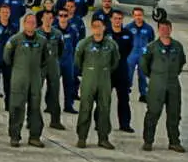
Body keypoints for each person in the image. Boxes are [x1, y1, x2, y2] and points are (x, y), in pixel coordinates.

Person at [140, 21, 188, 153]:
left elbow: (181, 62)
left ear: (171, 29)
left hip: (173, 84)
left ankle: (174, 142)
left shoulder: (177, 46)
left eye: (167, 28)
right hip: (157, 83)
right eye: (162, 28)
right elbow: (144, 64)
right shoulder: (151, 47)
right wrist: (154, 76)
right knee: (153, 113)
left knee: (174, 114)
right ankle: (148, 141)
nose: (164, 31)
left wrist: (172, 74)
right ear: (158, 30)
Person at [3, 14, 47, 148]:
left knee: (35, 108)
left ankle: (35, 137)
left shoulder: (42, 41)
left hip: (35, 79)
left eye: (33, 23)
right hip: (19, 79)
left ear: (36, 24)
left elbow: (45, 59)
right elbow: (7, 58)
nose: (31, 25)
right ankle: (15, 136)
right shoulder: (15, 40)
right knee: (16, 107)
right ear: (24, 24)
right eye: (29, 22)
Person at [75, 19, 120, 149]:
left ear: (104, 28)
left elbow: (115, 61)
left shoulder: (111, 44)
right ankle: (82, 138)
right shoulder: (84, 43)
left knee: (104, 109)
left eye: (99, 26)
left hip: (104, 80)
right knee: (85, 108)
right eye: (94, 26)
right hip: (89, 79)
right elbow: (78, 61)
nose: (97, 29)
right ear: (91, 28)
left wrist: (105, 71)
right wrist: (88, 71)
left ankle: (103, 138)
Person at [107, 10, 135, 133]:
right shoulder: (106, 33)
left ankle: (125, 124)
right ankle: (101, 123)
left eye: (120, 18)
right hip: (108, 71)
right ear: (111, 19)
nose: (117, 21)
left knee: (124, 99)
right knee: (104, 99)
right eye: (115, 18)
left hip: (122, 69)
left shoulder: (128, 34)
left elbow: (129, 49)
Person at [39, 10, 66, 129]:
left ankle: (55, 121)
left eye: (50, 18)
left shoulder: (58, 34)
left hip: (53, 65)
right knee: (35, 94)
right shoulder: (36, 33)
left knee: (55, 93)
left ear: (53, 20)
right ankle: (32, 120)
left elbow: (61, 49)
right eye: (45, 18)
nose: (47, 20)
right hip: (40, 66)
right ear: (41, 19)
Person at [126, 7, 155, 102]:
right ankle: (125, 92)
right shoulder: (128, 28)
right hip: (131, 54)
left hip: (143, 55)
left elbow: (151, 42)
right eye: (136, 15)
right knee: (128, 74)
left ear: (143, 16)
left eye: (140, 15)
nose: (138, 17)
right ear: (133, 16)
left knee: (143, 75)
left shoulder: (148, 29)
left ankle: (143, 94)